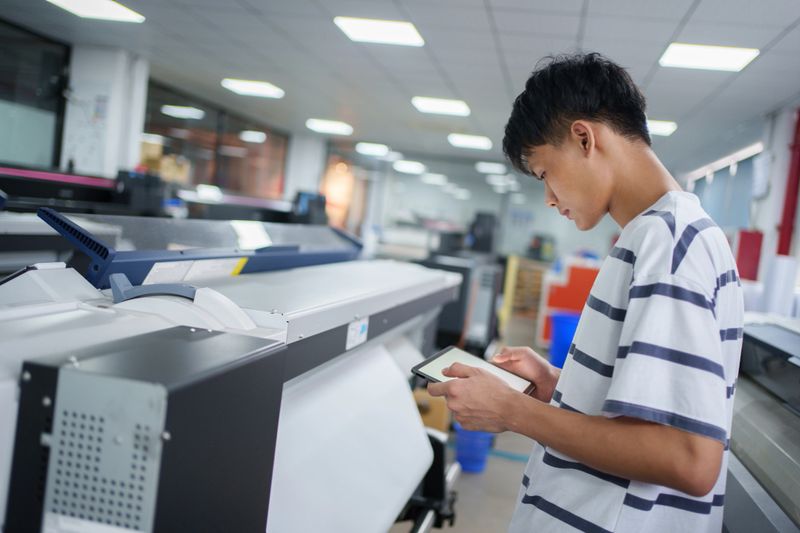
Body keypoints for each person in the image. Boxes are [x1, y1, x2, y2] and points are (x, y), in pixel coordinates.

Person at [427, 53, 744, 533]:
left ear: (583, 138)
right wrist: (558, 386)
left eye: (544, 174)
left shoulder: (669, 242)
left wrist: (512, 410)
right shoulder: (652, 237)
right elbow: (646, 414)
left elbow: (687, 457)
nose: (550, 198)